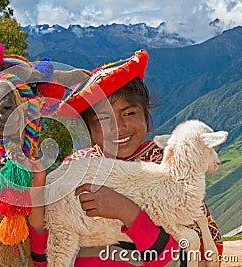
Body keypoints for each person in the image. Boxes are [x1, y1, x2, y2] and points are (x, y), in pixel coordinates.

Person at [26, 50, 223, 266]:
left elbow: (199, 258)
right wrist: (37, 191)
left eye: (128, 114)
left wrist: (127, 211)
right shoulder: (76, 169)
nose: (118, 128)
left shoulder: (171, 171)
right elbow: (44, 256)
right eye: (102, 120)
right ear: (88, 128)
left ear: (146, 113)